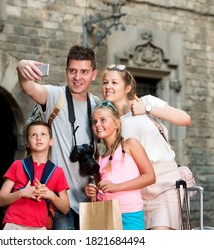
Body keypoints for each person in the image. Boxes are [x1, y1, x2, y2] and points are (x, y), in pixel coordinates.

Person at [16, 45, 99, 230]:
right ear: (66, 72)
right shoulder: (55, 96)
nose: (77, 77)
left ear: (94, 75)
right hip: (59, 200)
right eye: (73, 71)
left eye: (84, 72)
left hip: (90, 200)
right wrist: (21, 67)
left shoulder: (97, 105)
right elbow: (29, 87)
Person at [101, 64, 192, 230]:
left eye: (114, 82)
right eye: (105, 82)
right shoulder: (109, 120)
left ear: (128, 87)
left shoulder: (147, 101)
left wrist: (148, 109)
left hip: (165, 184)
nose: (108, 86)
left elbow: (185, 119)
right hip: (136, 190)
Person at [84, 100, 155, 230]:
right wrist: (93, 193)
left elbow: (150, 176)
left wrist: (117, 187)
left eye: (103, 120)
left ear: (116, 123)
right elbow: (103, 192)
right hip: (106, 215)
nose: (97, 125)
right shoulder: (99, 158)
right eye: (95, 121)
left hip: (130, 215)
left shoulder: (130, 145)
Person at [0, 121, 70, 230]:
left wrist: (51, 195)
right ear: (27, 143)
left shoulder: (57, 172)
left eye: (43, 134)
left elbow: (66, 208)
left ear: (51, 141)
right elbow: (0, 200)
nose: (38, 138)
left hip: (40, 227)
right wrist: (21, 193)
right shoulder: (17, 165)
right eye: (33, 135)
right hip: (13, 224)